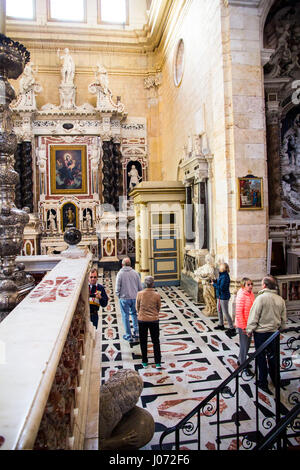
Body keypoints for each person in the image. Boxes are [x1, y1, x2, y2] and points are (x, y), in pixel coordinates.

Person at [246, 276, 286, 395]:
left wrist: (249, 329)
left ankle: (263, 382)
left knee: (261, 358)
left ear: (264, 286)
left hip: (261, 333)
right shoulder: (280, 299)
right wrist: (282, 328)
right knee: (273, 357)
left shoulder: (261, 299)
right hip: (274, 333)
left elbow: (254, 315)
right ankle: (275, 380)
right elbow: (283, 319)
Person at [136, 276, 162, 369]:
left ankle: (144, 361)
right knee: (156, 341)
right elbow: (159, 307)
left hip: (142, 320)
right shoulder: (157, 295)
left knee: (143, 341)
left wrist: (141, 314)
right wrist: (154, 314)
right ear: (153, 284)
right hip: (154, 320)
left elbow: (137, 307)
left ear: (145, 284)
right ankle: (158, 362)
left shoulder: (140, 294)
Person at [115, 257, 143, 342]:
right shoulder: (135, 273)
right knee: (134, 315)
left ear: (122, 264)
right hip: (134, 298)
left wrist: (119, 295)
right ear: (130, 264)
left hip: (124, 298)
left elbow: (117, 288)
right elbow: (140, 287)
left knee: (125, 316)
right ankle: (137, 332)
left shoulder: (120, 274)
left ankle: (128, 335)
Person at [235, 277, 255, 373]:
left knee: (246, 344)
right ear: (243, 285)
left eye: (251, 284)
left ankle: (240, 360)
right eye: (248, 284)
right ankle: (243, 365)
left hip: (249, 324)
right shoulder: (241, 295)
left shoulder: (251, 294)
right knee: (244, 345)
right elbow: (239, 312)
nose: (251, 286)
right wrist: (244, 327)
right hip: (243, 325)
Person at [213, 262, 236, 337]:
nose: (219, 268)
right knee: (219, 310)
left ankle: (231, 328)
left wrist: (214, 284)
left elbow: (222, 288)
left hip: (224, 296)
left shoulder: (225, 277)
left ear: (223, 268)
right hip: (220, 295)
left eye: (220, 267)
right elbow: (220, 284)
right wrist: (216, 281)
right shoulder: (221, 275)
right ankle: (221, 324)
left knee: (225, 312)